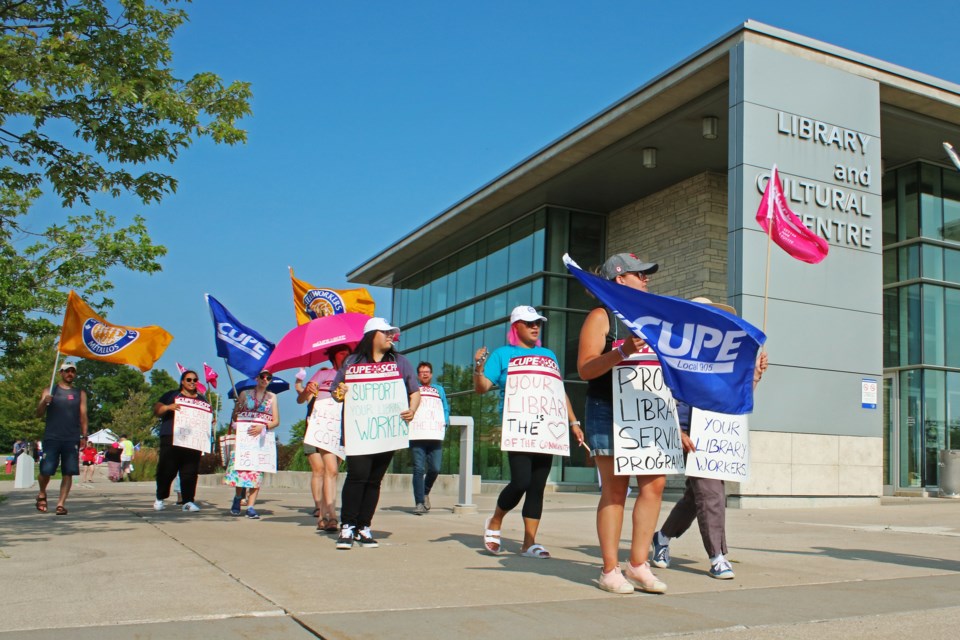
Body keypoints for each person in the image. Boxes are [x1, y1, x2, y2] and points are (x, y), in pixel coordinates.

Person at [651, 297, 769, 580]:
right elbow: (657, 390)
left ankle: (663, 538)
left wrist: (753, 376)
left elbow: (734, 398)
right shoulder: (672, 351)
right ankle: (717, 555)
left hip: (715, 432)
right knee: (709, 492)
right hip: (684, 429)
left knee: (701, 494)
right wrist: (675, 430)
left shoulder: (723, 356)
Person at [577, 252, 668, 594]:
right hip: (609, 407)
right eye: (639, 274)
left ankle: (639, 565)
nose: (646, 279)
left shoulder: (654, 318)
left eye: (646, 274)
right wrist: (622, 351)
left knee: (654, 485)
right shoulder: (602, 317)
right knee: (615, 490)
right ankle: (610, 570)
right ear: (620, 279)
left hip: (649, 412)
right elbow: (585, 368)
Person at [474, 305, 583, 559]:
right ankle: (495, 521)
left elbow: (558, 391)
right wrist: (478, 368)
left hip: (547, 429)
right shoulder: (502, 355)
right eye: (529, 323)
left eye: (538, 323)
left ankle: (529, 543)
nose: (535, 327)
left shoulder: (548, 355)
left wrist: (573, 423)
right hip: (518, 427)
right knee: (521, 481)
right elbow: (482, 388)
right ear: (516, 327)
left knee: (537, 486)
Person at [330, 317, 420, 550]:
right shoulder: (351, 363)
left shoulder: (400, 362)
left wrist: (412, 410)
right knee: (357, 475)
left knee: (374, 481)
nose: (391, 336)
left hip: (387, 432)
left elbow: (414, 391)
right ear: (372, 336)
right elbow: (335, 393)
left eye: (392, 333)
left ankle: (363, 527)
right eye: (386, 332)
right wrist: (341, 390)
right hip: (359, 431)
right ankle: (348, 526)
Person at [297, 344, 351, 532]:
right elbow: (301, 398)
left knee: (332, 471)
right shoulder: (322, 374)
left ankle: (326, 515)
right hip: (317, 427)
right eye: (342, 353)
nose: (345, 356)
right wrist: (307, 389)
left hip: (336, 429)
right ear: (334, 356)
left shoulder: (350, 378)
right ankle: (325, 512)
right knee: (320, 470)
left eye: (348, 353)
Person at [225, 369, 280, 519]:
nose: (265, 379)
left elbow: (276, 420)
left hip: (260, 437)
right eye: (262, 377)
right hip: (245, 436)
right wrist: (238, 408)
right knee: (241, 469)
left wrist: (264, 426)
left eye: (268, 378)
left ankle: (251, 506)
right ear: (257, 378)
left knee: (256, 472)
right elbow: (235, 416)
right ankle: (237, 498)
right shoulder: (245, 394)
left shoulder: (272, 397)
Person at [35, 361, 88, 515]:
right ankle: (42, 493)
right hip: (52, 437)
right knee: (46, 470)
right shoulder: (50, 390)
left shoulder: (80, 393)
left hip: (71, 438)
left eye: (72, 371)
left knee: (68, 472)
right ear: (61, 373)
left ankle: (60, 504)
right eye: (66, 371)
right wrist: (44, 403)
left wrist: (84, 435)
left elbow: (83, 415)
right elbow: (38, 414)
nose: (70, 374)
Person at [153, 370, 208, 512]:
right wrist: (168, 407)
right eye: (189, 380)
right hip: (171, 436)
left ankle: (188, 501)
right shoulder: (172, 395)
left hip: (192, 440)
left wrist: (210, 420)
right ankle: (160, 497)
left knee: (190, 472)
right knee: (167, 470)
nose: (192, 382)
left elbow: (207, 416)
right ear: (182, 381)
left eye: (195, 380)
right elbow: (157, 410)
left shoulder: (202, 400)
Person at [410, 361, 450, 515]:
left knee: (435, 468)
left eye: (427, 371)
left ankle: (425, 491)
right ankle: (419, 502)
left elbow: (445, 408)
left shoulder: (439, 390)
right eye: (421, 372)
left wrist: (444, 423)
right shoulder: (413, 390)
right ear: (418, 375)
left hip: (434, 434)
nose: (425, 374)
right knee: (418, 469)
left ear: (431, 374)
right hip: (417, 435)